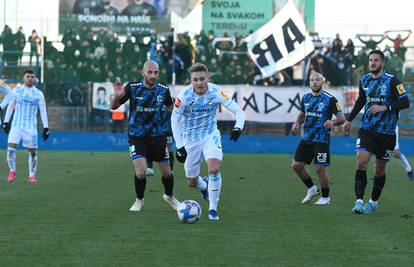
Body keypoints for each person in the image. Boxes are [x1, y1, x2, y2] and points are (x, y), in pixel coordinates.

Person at [171, 63, 245, 220]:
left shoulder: (216, 91)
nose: (198, 83)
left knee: (213, 169)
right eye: (195, 79)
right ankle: (204, 187)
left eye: (202, 79)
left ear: (207, 78)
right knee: (191, 182)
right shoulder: (183, 96)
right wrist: (179, 146)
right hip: (190, 139)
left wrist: (238, 127)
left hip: (210, 135)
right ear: (191, 80)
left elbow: (238, 110)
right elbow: (174, 119)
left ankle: (213, 209)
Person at [343, 50, 410, 214]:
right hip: (367, 130)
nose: (372, 63)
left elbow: (405, 101)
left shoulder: (392, 81)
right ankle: (358, 201)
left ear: (383, 63)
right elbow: (361, 100)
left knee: (379, 168)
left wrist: (385, 107)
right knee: (361, 161)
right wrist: (349, 119)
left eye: (376, 60)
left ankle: (373, 202)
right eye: (370, 60)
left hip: (386, 133)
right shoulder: (364, 80)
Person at [110, 60, 179, 212]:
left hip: (157, 136)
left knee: (167, 172)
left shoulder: (163, 90)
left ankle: (169, 196)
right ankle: (139, 200)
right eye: (150, 72)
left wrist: (179, 111)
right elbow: (113, 106)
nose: (153, 75)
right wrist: (116, 96)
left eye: (155, 72)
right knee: (141, 172)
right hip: (137, 136)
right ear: (143, 73)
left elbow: (170, 108)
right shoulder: (132, 88)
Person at [291, 71, 345, 205]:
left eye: (317, 80)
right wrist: (297, 123)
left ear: (323, 82)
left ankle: (326, 198)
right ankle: (312, 188)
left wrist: (332, 122)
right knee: (296, 165)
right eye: (312, 80)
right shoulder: (306, 98)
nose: (314, 82)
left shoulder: (330, 99)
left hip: (322, 139)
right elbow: (303, 114)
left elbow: (341, 118)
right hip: (307, 138)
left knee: (319, 168)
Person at [2, 70, 49, 183]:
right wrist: (6, 122)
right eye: (28, 76)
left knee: (32, 152)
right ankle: (12, 171)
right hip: (16, 126)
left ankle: (32, 175)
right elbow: (10, 106)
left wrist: (46, 127)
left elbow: (43, 111)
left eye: (32, 77)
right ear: (23, 78)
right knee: (10, 150)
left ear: (35, 79)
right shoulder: (16, 91)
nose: (30, 78)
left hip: (30, 128)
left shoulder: (38, 94)